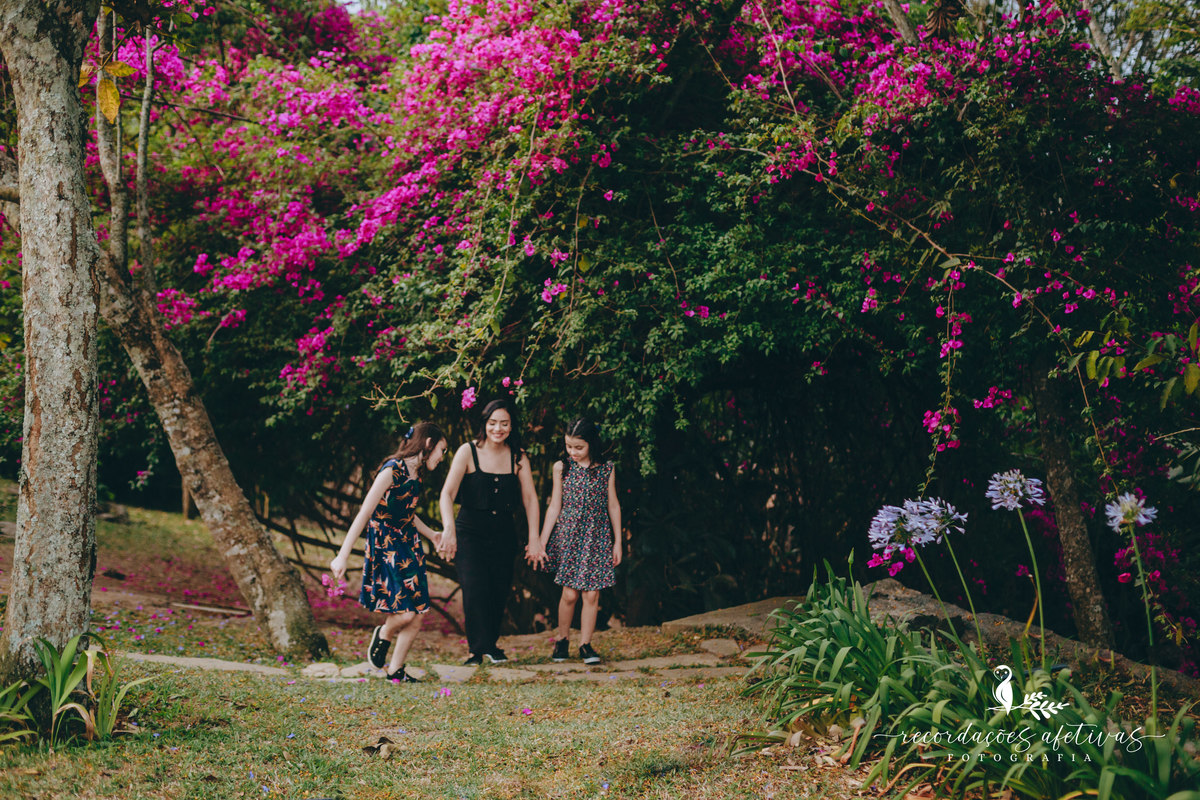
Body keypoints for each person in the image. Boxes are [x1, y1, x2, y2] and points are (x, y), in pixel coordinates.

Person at [330, 422, 449, 683]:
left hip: (409, 545)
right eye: (442, 449)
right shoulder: (391, 471)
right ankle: (384, 633)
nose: (442, 457)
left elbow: (407, 513)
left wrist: (432, 534)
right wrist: (342, 554)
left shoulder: (416, 473)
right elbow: (364, 513)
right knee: (405, 613)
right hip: (386, 547)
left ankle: (395, 671)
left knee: (417, 614)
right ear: (428, 444)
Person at [439, 399, 541, 665]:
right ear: (484, 423)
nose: (498, 428)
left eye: (504, 423)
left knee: (498, 589)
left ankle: (492, 646)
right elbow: (447, 494)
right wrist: (449, 529)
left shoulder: (518, 456)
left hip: (504, 533)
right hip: (470, 532)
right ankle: (476, 650)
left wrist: (534, 538)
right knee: (474, 588)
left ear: (511, 426)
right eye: (493, 422)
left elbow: (530, 499)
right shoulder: (467, 451)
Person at [534, 418, 622, 665]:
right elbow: (554, 506)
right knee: (570, 594)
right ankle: (562, 640)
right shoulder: (561, 468)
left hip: (597, 536)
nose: (572, 452)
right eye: (569, 447)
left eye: (578, 448)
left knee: (592, 596)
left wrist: (618, 542)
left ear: (591, 444)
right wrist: (541, 541)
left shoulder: (607, 469)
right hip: (569, 536)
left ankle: (586, 644)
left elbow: (613, 505)